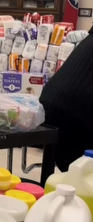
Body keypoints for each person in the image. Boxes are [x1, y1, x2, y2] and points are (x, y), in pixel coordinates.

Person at [40, 27, 93, 171]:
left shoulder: (88, 41)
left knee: (75, 172)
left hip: (56, 104)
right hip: (72, 114)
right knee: (80, 173)